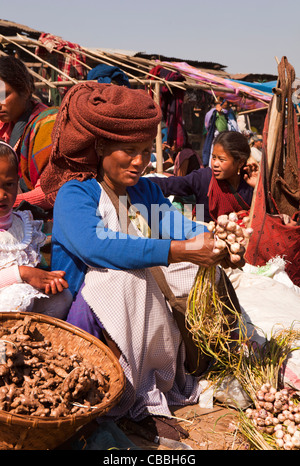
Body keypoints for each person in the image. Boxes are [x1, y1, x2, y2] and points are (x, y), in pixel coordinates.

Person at [42, 82, 244, 440]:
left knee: (192, 269)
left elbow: (172, 224)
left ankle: (177, 374)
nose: (139, 162)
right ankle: (133, 397)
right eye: (128, 151)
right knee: (122, 277)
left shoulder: (145, 190)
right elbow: (97, 246)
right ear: (101, 146)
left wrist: (211, 238)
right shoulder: (76, 194)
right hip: (85, 318)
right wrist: (175, 251)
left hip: (139, 310)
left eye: (144, 151)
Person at [0, 141, 72, 316]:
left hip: (23, 301)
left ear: (17, 182)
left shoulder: (24, 224)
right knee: (16, 295)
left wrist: (46, 280)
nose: (2, 195)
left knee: (63, 296)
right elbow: (22, 277)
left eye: (8, 185)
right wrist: (21, 273)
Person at [150, 131, 258, 224]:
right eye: (214, 157)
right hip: (205, 240)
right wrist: (140, 183)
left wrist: (258, 187)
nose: (215, 163)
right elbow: (170, 184)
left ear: (240, 163)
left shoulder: (249, 183)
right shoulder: (204, 178)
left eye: (221, 159)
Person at [0, 55, 58, 212]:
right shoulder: (5, 126)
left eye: (3, 96)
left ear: (25, 91)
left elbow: (49, 193)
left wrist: (8, 203)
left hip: (39, 222)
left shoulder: (47, 125)